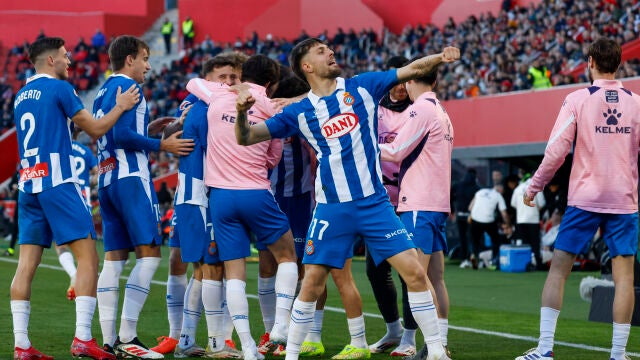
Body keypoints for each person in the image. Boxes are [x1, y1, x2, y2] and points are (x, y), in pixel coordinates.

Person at [233, 38, 459, 360]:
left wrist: (440, 55)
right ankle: (292, 354)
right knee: (311, 282)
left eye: (329, 48)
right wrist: (242, 113)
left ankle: (437, 352)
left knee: (415, 273)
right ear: (307, 66)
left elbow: (413, 69)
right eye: (321, 50)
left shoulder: (364, 86)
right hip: (331, 208)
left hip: (374, 204)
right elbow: (245, 137)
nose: (330, 52)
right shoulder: (299, 112)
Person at [11, 36, 139, 360]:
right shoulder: (60, 88)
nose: (70, 61)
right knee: (89, 258)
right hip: (59, 181)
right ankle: (83, 337)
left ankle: (21, 345)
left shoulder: (20, 95)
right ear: (51, 60)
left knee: (26, 266)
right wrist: (121, 107)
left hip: (28, 182)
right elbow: (95, 129)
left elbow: (55, 130)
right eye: (66, 57)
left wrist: (71, 127)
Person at [516, 38, 640, 360]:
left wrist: (534, 187)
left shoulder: (576, 99)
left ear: (590, 63)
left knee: (558, 271)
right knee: (624, 277)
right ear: (619, 65)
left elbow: (556, 150)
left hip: (585, 198)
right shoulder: (636, 103)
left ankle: (544, 349)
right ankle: (617, 354)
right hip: (623, 199)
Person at [187, 54, 299, 360]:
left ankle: (248, 346)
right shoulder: (271, 109)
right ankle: (279, 326)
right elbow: (272, 159)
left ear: (240, 75)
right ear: (272, 83)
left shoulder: (217, 93)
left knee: (234, 273)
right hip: (255, 192)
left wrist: (230, 88)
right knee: (287, 255)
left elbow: (192, 81)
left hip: (221, 197)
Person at [93, 35, 193, 359]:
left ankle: (109, 342)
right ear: (130, 59)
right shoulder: (130, 90)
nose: (149, 66)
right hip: (130, 178)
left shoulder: (102, 92)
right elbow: (123, 135)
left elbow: (109, 133)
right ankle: (128, 337)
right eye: (145, 58)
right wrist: (162, 145)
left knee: (114, 260)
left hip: (106, 179)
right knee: (149, 256)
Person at [151, 53, 246, 357]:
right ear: (208, 81)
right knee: (209, 267)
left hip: (194, 193)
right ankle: (216, 342)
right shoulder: (207, 109)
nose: (229, 83)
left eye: (234, 77)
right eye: (223, 77)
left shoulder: (199, 105)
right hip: (202, 194)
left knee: (201, 268)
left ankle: (187, 340)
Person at [379, 62, 454, 359]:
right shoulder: (441, 110)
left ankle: (435, 349)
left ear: (410, 80)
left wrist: (361, 146)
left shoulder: (419, 109)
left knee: (416, 278)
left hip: (419, 204)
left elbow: (396, 151)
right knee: (435, 278)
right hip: (437, 203)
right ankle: (439, 343)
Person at [366, 55, 419, 357]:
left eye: (405, 83)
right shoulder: (375, 110)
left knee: (407, 271)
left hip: (410, 200)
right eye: (396, 83)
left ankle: (409, 338)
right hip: (380, 202)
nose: (400, 88)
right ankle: (393, 330)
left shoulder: (418, 110)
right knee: (375, 271)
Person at [468, 184, 510, 269]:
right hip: (488, 221)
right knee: (496, 240)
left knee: (475, 240)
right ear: (500, 189)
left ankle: (473, 255)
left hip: (475, 219)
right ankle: (493, 261)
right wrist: (508, 224)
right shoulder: (498, 195)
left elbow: (470, 207)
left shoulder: (480, 192)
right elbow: (504, 214)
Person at [510, 176, 546, 270]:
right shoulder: (537, 187)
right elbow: (541, 204)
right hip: (533, 220)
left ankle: (523, 264)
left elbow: (513, 204)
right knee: (535, 243)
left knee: (523, 244)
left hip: (520, 220)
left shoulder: (518, 188)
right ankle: (537, 264)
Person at [453, 169, 479, 268]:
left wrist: (451, 210)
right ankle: (472, 256)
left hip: (460, 215)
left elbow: (450, 196)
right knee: (472, 238)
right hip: (471, 216)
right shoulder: (476, 188)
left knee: (462, 238)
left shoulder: (458, 185)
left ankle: (464, 260)